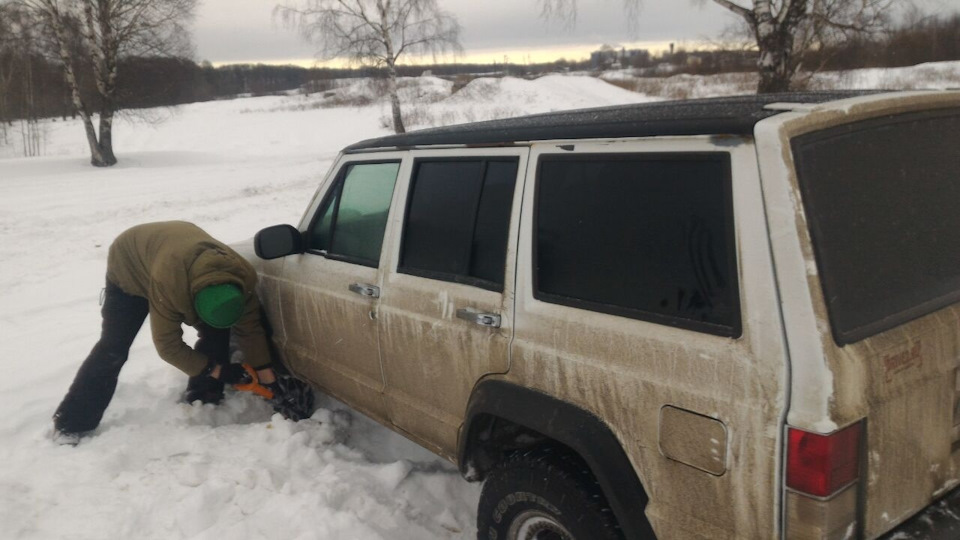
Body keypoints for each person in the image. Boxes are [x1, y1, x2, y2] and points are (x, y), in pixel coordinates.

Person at [52, 221, 281, 443]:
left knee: (218, 332)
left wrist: (266, 375)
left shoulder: (243, 277)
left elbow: (250, 329)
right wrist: (218, 371)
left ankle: (204, 397)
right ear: (192, 304)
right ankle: (72, 424)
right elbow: (168, 346)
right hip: (129, 264)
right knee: (114, 347)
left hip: (179, 257)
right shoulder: (169, 286)